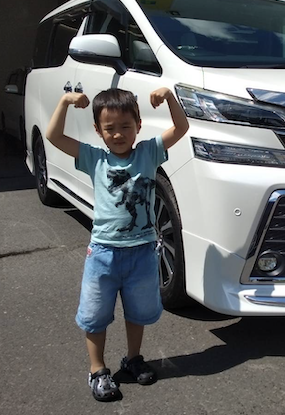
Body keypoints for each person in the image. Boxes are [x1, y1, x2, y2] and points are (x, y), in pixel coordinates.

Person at [46, 86, 189, 402]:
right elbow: (53, 136)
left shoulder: (148, 153)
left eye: (126, 126)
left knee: (137, 312)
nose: (118, 134)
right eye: (110, 128)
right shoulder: (93, 158)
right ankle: (97, 370)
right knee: (95, 315)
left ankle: (133, 359)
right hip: (104, 254)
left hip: (142, 252)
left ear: (139, 125)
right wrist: (65, 101)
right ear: (98, 130)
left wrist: (169, 98)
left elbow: (181, 128)